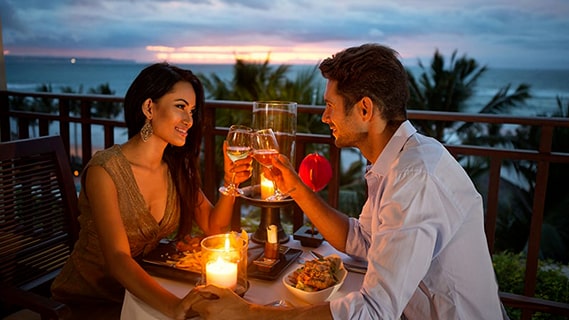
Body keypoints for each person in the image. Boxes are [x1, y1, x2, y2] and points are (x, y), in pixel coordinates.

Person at [189, 44, 506, 319]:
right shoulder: (397, 161)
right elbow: (364, 241)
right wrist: (296, 187)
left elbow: (373, 312)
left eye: (330, 106)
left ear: (365, 109)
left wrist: (249, 314)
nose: (325, 117)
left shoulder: (415, 177)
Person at [51, 62, 252, 319]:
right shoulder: (106, 171)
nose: (189, 120)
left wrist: (231, 180)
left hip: (140, 293)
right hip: (89, 301)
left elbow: (214, 227)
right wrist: (174, 306)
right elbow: (118, 258)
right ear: (149, 107)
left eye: (192, 110)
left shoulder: (176, 168)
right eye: (180, 106)